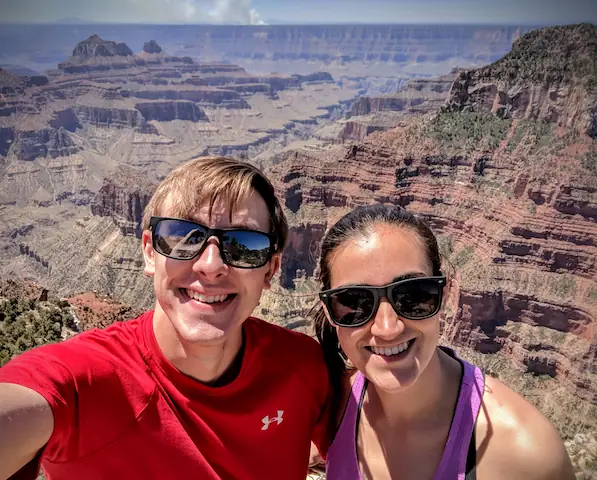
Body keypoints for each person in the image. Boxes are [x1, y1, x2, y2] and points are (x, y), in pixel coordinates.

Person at [0, 156, 330, 480]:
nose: (211, 265)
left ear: (270, 269)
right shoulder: (84, 381)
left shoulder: (304, 367)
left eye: (243, 244)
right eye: (184, 237)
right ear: (148, 252)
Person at [313, 204, 575, 480]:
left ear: (446, 293)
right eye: (354, 302)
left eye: (413, 295)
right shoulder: (328, 405)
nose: (387, 328)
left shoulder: (525, 454)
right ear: (330, 311)